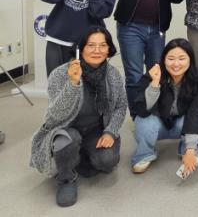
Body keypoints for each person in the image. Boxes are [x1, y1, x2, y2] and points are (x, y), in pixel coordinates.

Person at [30, 26, 126, 207]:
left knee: (107, 162)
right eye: (91, 45)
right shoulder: (60, 74)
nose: (97, 50)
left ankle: (76, 157)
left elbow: (120, 106)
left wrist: (110, 132)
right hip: (66, 128)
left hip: (95, 129)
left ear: (109, 49)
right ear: (81, 49)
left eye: (102, 45)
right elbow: (54, 115)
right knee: (68, 141)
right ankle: (66, 178)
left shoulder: (112, 74)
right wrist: (73, 84)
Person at [130, 39, 198, 175]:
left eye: (181, 58)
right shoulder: (153, 74)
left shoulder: (197, 77)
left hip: (181, 125)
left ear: (190, 60)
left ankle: (186, 148)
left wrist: (190, 149)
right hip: (157, 124)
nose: (176, 64)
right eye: (171, 59)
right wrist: (154, 84)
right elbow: (141, 111)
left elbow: (195, 111)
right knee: (143, 122)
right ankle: (144, 154)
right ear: (163, 60)